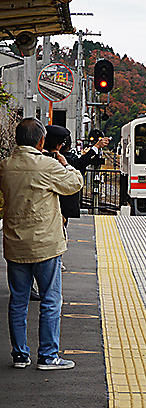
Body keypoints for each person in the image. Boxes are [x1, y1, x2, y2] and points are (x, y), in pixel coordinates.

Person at [0, 118, 83, 370]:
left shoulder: (5, 165)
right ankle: (48, 356)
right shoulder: (47, 165)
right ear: (41, 141)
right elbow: (75, 183)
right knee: (50, 299)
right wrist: (65, 163)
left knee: (18, 300)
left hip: (15, 244)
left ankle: (20, 355)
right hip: (45, 244)